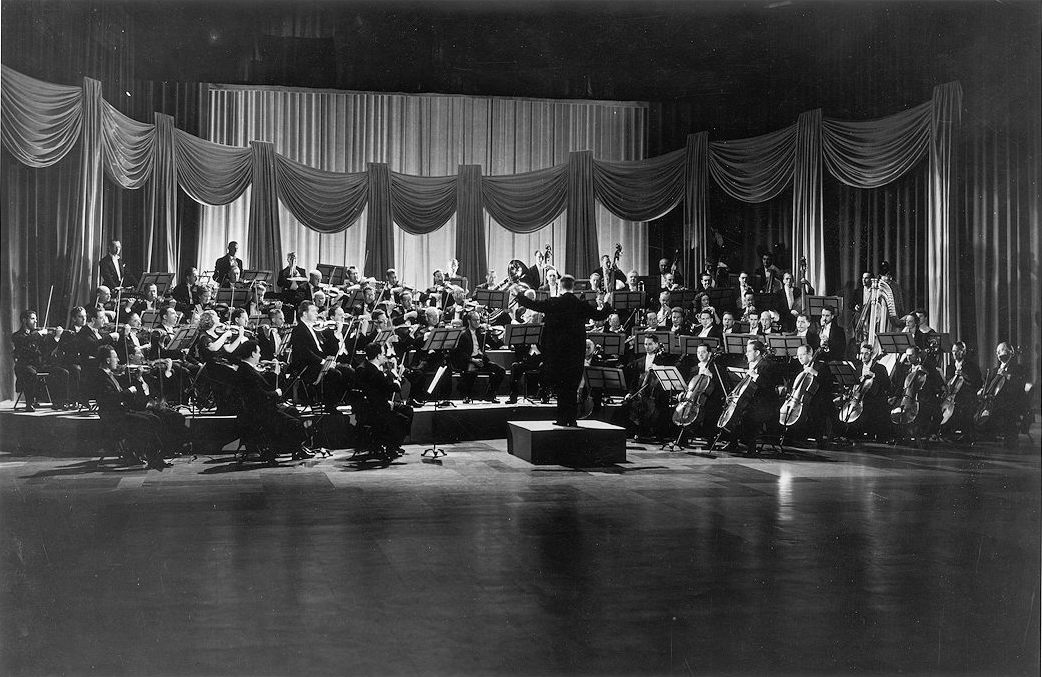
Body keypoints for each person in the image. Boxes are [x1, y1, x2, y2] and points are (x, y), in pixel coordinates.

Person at [515, 274, 613, 426]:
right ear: (573, 287)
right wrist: (607, 303)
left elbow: (535, 305)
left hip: (557, 352)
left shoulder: (554, 302)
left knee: (561, 386)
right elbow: (600, 314)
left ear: (560, 286)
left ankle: (562, 419)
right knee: (572, 386)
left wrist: (520, 296)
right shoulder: (580, 304)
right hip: (575, 353)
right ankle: (571, 420)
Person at [93, 345, 189, 470]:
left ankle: (156, 455)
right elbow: (111, 399)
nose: (117, 360)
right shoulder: (100, 377)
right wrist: (129, 391)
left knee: (153, 417)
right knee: (150, 420)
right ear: (107, 360)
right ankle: (154, 457)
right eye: (115, 357)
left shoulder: (109, 375)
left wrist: (136, 383)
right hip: (114, 417)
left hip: (121, 412)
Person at [234, 340, 312, 462]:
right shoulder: (247, 371)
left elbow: (261, 387)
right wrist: (276, 393)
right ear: (253, 354)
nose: (260, 355)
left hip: (260, 408)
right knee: (295, 423)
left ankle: (297, 449)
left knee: (292, 411)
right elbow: (260, 395)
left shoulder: (246, 368)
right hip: (258, 412)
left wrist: (275, 374)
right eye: (258, 352)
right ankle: (280, 449)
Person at [289, 300, 353, 413]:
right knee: (335, 374)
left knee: (348, 371)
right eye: (313, 311)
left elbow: (320, 349)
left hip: (317, 363)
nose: (316, 314)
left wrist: (330, 361)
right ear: (304, 314)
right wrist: (324, 362)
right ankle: (330, 406)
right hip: (307, 367)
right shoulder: (299, 330)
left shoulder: (313, 328)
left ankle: (345, 401)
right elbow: (306, 353)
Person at [355, 342, 414, 455]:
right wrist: (395, 375)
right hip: (377, 409)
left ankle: (393, 445)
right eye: (383, 354)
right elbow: (393, 388)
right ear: (377, 356)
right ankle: (391, 446)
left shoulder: (364, 367)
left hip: (377, 404)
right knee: (404, 419)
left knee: (408, 410)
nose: (385, 356)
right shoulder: (374, 372)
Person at [11, 309, 69, 410]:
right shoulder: (17, 336)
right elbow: (25, 341)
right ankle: (29, 403)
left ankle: (60, 402)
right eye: (33, 319)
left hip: (39, 365)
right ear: (24, 320)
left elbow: (47, 349)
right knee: (31, 373)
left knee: (63, 372)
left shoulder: (37, 335)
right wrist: (39, 334)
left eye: (36, 319)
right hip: (25, 365)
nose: (36, 321)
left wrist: (57, 337)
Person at [449, 310, 505, 403]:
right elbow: (460, 353)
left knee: (500, 371)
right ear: (469, 321)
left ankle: (490, 395)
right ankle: (466, 396)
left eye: (479, 320)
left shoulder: (482, 333)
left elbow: (495, 344)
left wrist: (497, 336)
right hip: (469, 361)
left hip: (481, 360)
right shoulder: (463, 334)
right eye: (475, 320)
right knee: (471, 371)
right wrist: (473, 360)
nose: (477, 322)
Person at [940, 340, 982, 442]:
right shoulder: (950, 367)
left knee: (963, 407)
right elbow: (948, 384)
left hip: (966, 397)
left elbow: (978, 384)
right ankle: (944, 433)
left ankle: (967, 435)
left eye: (957, 351)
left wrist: (964, 375)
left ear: (964, 351)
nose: (954, 353)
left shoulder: (972, 366)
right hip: (951, 397)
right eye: (953, 351)